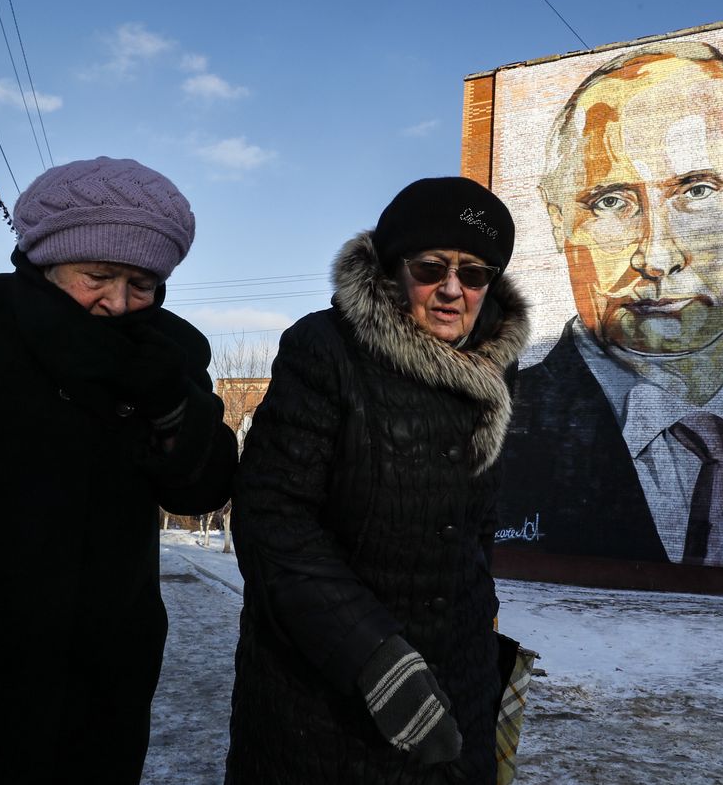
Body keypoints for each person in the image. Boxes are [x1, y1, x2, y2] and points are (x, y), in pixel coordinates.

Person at [0, 157, 238, 783]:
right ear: (47, 258)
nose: (117, 304)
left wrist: (175, 408)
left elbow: (200, 487)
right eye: (97, 276)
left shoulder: (170, 350)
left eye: (142, 284)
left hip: (98, 671)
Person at [497, 41, 723, 576]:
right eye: (610, 202)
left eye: (698, 190)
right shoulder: (496, 434)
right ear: (557, 218)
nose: (656, 256)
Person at [225, 177, 529, 784]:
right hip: (325, 697)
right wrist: (375, 659)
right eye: (431, 268)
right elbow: (273, 522)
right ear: (393, 270)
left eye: (473, 274)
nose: (451, 290)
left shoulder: (494, 369)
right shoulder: (326, 349)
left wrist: (480, 636)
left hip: (457, 686)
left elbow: (474, 528)